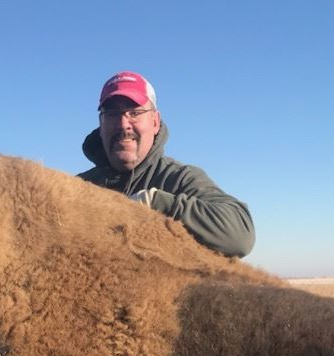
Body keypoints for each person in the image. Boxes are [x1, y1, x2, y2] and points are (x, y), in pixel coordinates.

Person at [78, 71, 255, 258]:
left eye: (135, 113)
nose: (123, 124)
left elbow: (240, 235)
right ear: (101, 123)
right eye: (112, 114)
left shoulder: (180, 179)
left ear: (155, 122)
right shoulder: (79, 188)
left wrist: (155, 202)